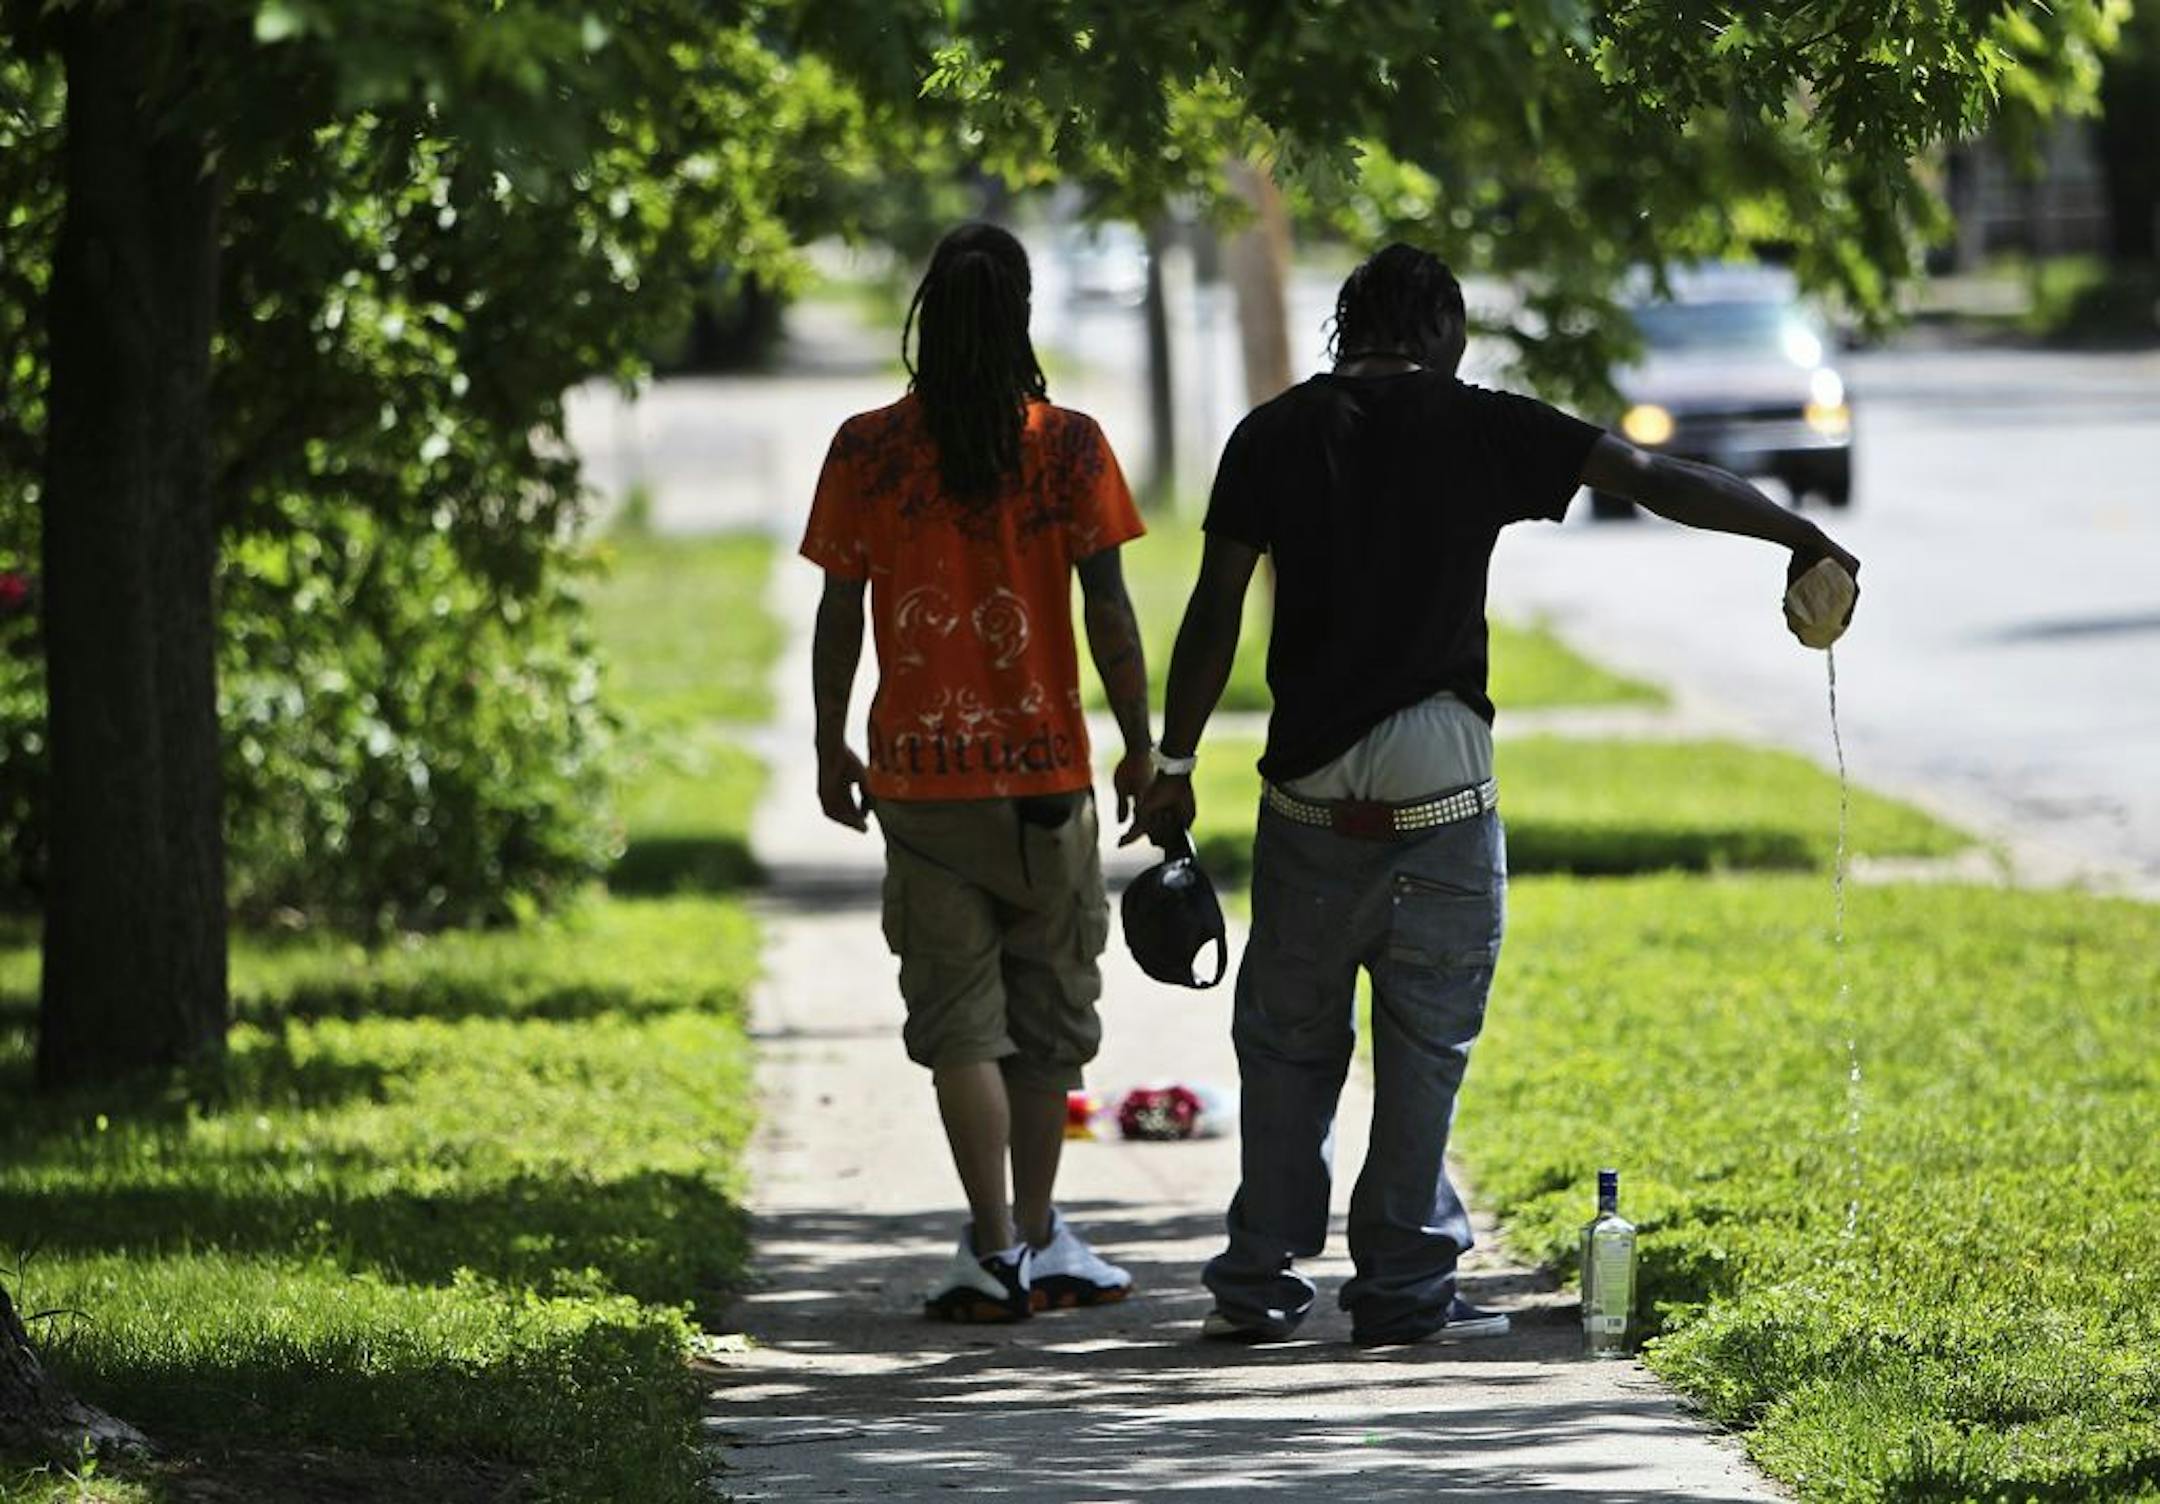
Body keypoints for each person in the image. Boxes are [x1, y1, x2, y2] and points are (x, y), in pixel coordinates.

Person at [1125, 243, 1860, 1347]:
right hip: (1441, 797)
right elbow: (1659, 479)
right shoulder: (1485, 424)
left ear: (1347, 328)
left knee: (1286, 1045)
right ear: (1438, 335)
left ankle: (1259, 1279)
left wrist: (1173, 766)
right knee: (1425, 1047)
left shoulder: (1270, 434)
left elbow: (1215, 606)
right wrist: (1797, 532)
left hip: (1310, 801)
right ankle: (1404, 1289)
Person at [802, 222, 1157, 1323]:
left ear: (926, 312)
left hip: (920, 784)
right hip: (1047, 775)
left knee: (961, 1021)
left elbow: (839, 608)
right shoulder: (1070, 446)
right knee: (1047, 1020)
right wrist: (1144, 746)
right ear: (1022, 315)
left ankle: (994, 1247)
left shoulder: (867, 448)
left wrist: (830, 741)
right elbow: (1108, 611)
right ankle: (1045, 1236)